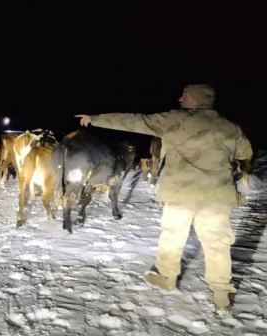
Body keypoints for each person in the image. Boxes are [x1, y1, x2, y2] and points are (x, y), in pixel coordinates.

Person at [75, 84, 253, 315]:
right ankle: (221, 297)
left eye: (185, 95)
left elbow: (135, 121)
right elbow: (245, 153)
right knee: (218, 245)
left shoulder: (174, 120)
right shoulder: (229, 126)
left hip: (181, 193)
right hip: (217, 195)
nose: (180, 99)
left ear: (197, 99)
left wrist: (96, 119)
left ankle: (167, 278)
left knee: (173, 236)